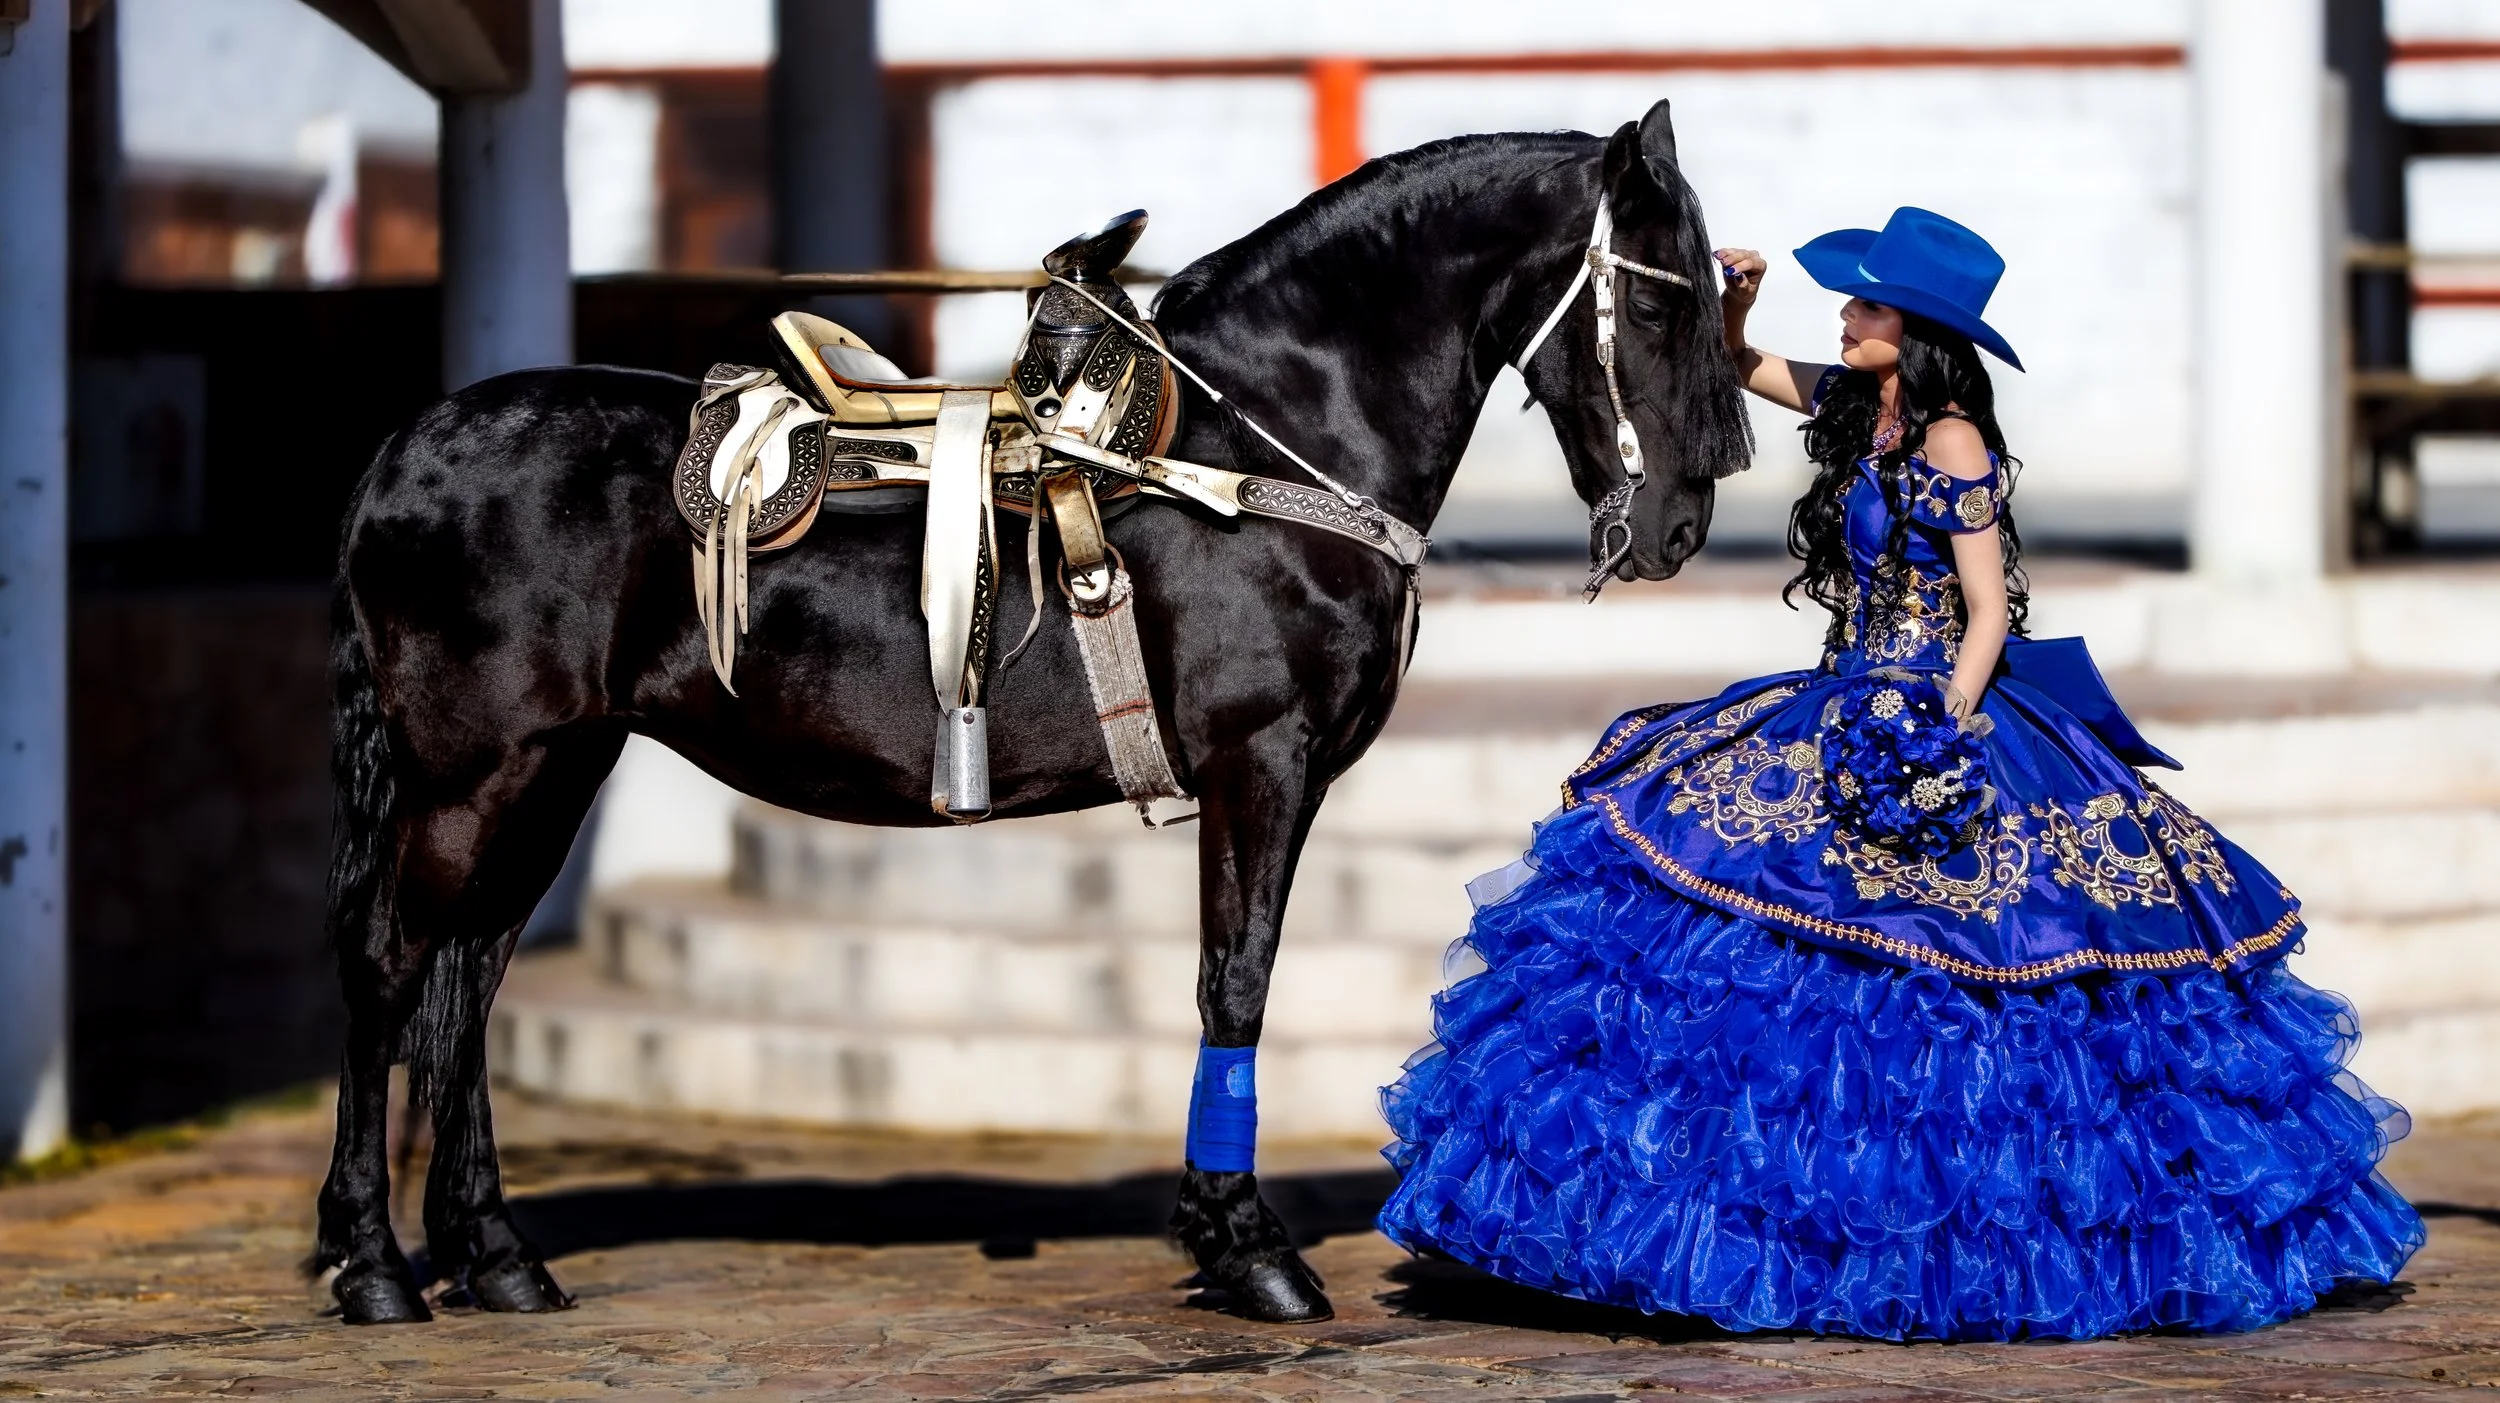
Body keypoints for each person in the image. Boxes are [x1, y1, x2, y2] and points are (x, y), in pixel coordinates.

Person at [1375, 207, 2423, 1341]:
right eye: (1848, 301)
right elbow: (1733, 365)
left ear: (1912, 327)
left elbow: (1985, 611)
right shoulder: (1850, 408)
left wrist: (1938, 730)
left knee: (1979, 962)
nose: (1846, 314)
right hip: (1848, 689)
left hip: (1935, 708)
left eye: (1865, 304)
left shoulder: (1953, 438)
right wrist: (1735, 298)